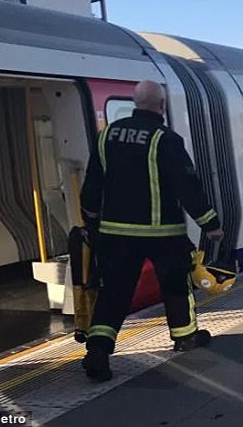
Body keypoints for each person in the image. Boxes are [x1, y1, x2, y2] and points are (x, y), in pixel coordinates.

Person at [80, 80, 223, 382]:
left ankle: (98, 349)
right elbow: (187, 186)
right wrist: (209, 223)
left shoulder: (108, 135)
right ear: (161, 105)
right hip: (163, 234)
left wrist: (90, 217)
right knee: (175, 287)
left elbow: (93, 182)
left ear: (135, 102)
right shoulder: (165, 138)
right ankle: (184, 337)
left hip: (115, 234)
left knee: (113, 294)